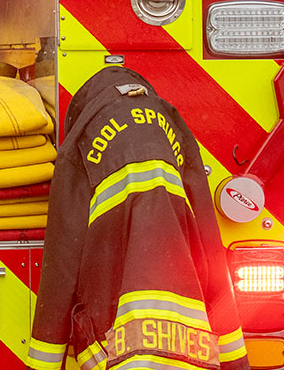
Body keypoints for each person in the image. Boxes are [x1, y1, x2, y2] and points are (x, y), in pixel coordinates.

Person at [27, 66, 249, 370]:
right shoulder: (174, 129)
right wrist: (236, 361)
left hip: (113, 328)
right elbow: (207, 238)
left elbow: (62, 263)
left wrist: (44, 363)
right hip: (185, 342)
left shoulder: (78, 144)